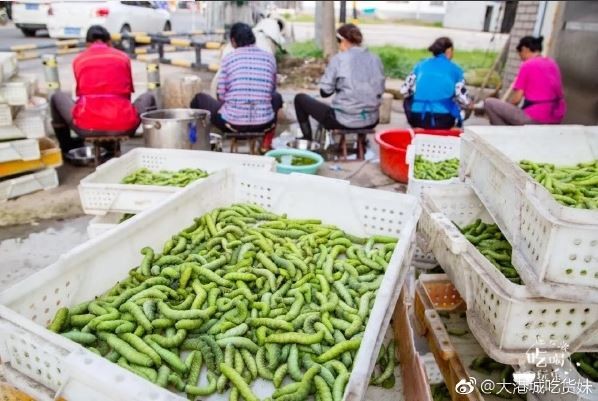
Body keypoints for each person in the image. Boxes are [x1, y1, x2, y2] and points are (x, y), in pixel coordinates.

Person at [50, 25, 156, 153]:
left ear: (87, 44)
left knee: (57, 97)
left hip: (87, 127)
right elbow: (127, 96)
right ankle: (154, 146)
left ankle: (67, 147)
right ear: (109, 42)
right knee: (149, 97)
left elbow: (81, 95)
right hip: (124, 126)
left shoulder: (79, 59)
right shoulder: (122, 57)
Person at [190, 22, 282, 151]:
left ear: (233, 41)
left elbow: (221, 94)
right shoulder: (269, 58)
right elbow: (272, 89)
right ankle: (265, 145)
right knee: (277, 97)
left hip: (232, 124)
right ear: (253, 38)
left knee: (199, 99)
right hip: (264, 124)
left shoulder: (229, 58)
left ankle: (199, 143)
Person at [293, 24, 385, 140]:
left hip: (343, 120)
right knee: (342, 105)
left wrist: (337, 84)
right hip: (372, 119)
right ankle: (362, 141)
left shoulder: (340, 59)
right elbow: (379, 90)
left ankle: (306, 138)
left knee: (300, 98)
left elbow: (325, 92)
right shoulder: (375, 59)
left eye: (338, 41)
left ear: (343, 41)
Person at [485, 36, 566, 125]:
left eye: (520, 55)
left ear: (524, 49)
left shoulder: (527, 65)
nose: (521, 58)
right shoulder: (552, 63)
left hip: (535, 118)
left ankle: (503, 133)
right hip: (556, 118)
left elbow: (517, 99)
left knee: (489, 103)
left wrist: (506, 107)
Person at [400, 37, 471, 129]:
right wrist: (470, 103)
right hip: (443, 120)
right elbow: (464, 99)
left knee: (408, 100)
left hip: (417, 118)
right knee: (460, 102)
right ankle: (454, 128)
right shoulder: (455, 70)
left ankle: (416, 128)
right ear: (448, 51)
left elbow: (404, 91)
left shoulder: (420, 65)